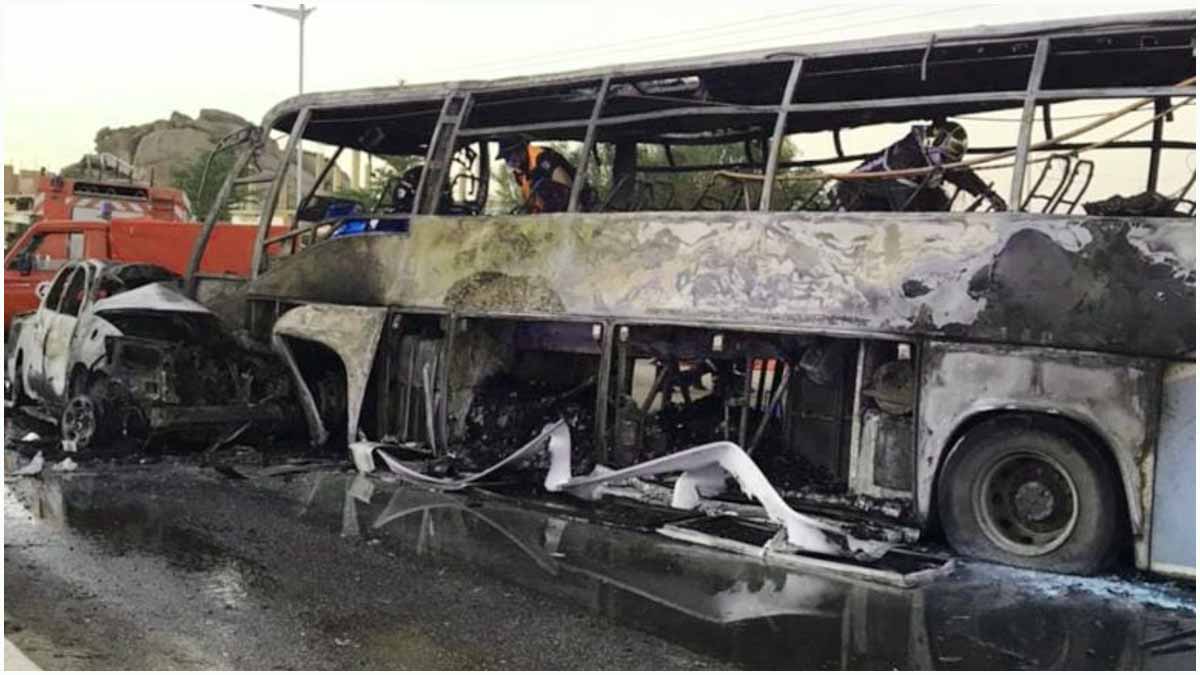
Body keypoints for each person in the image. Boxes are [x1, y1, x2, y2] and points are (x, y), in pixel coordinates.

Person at [836, 120, 1008, 212]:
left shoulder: (934, 156)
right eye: (944, 157)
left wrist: (989, 195)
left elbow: (961, 173)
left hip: (895, 191)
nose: (947, 163)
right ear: (930, 145)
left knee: (937, 200)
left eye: (951, 160)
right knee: (922, 208)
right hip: (858, 192)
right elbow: (906, 209)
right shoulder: (906, 158)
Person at [495, 137, 585, 213]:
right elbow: (528, 199)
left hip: (570, 209)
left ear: (521, 149)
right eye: (506, 158)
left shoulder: (543, 158)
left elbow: (567, 185)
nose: (509, 161)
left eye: (510, 155)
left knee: (541, 184)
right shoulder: (519, 172)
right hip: (542, 215)